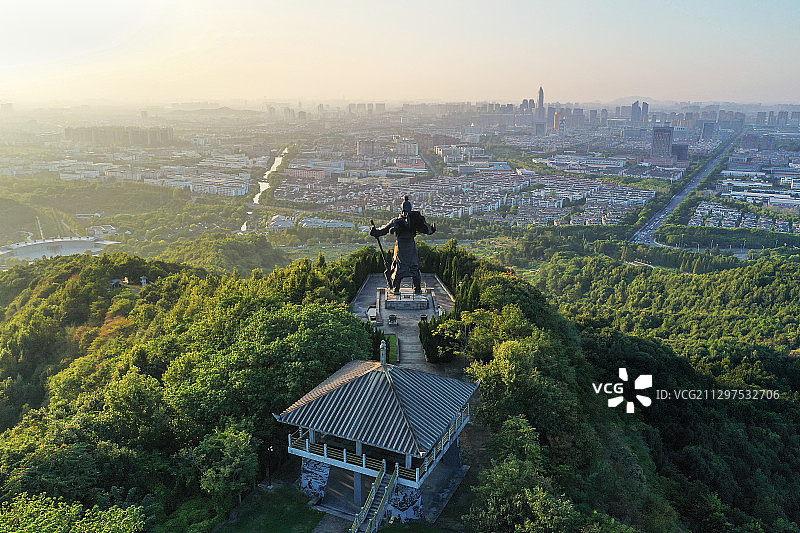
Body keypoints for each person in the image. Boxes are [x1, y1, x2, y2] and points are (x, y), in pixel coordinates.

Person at [370, 196, 436, 294]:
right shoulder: (402, 221)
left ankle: (402, 289)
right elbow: (428, 230)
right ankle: (412, 288)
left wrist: (376, 232)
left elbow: (383, 231)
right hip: (406, 246)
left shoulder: (405, 220)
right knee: (410, 267)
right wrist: (376, 232)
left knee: (404, 267)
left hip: (404, 246)